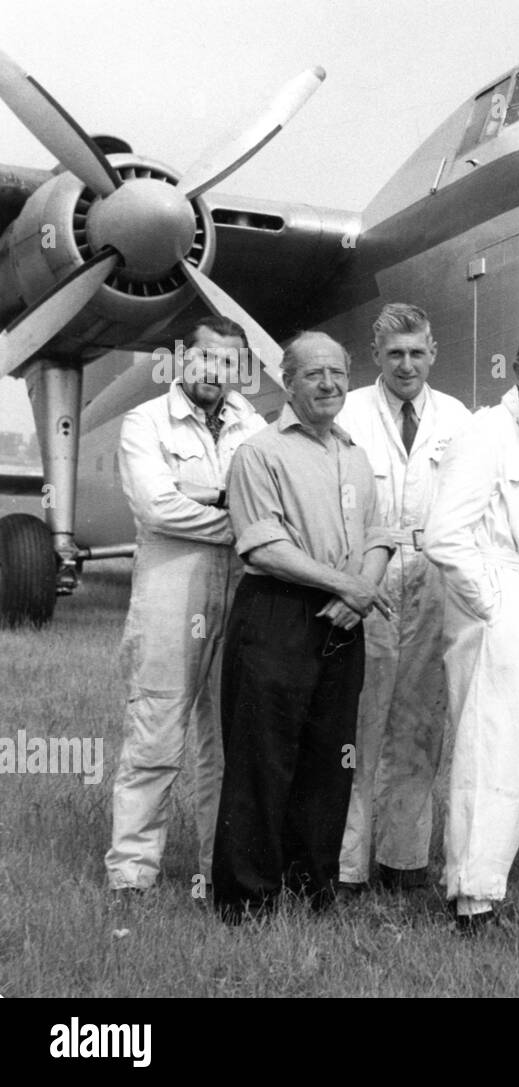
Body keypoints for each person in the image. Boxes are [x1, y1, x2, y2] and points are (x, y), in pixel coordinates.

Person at [212, 331, 395, 923]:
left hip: (344, 621)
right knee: (263, 757)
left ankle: (311, 887)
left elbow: (377, 536)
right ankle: (247, 899)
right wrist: (346, 586)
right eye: (314, 374)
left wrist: (358, 592)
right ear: (286, 382)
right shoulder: (258, 453)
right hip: (278, 614)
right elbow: (263, 547)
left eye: (338, 373)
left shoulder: (355, 454)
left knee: (331, 758)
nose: (329, 384)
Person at [423, 327, 519, 933]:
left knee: (516, 748)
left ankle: (483, 881)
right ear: (517, 367)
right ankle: (471, 896)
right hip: (497, 598)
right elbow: (445, 535)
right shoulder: (488, 431)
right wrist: (489, 604)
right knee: (488, 747)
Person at [106, 316, 266, 895]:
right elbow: (157, 508)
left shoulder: (255, 425)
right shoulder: (145, 422)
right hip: (173, 596)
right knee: (155, 734)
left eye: (227, 362)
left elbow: (272, 502)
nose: (214, 371)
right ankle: (131, 871)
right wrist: (238, 521)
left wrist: (203, 497)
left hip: (241, 594)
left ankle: (215, 869)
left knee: (225, 741)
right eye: (205, 358)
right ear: (182, 359)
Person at [335, 303, 471, 894]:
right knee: (358, 726)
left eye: (417, 353)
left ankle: (404, 861)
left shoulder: (458, 418)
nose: (407, 365)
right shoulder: (348, 412)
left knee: (420, 727)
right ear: (377, 357)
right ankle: (344, 867)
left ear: (433, 353)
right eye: (395, 354)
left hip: (434, 581)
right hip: (365, 576)